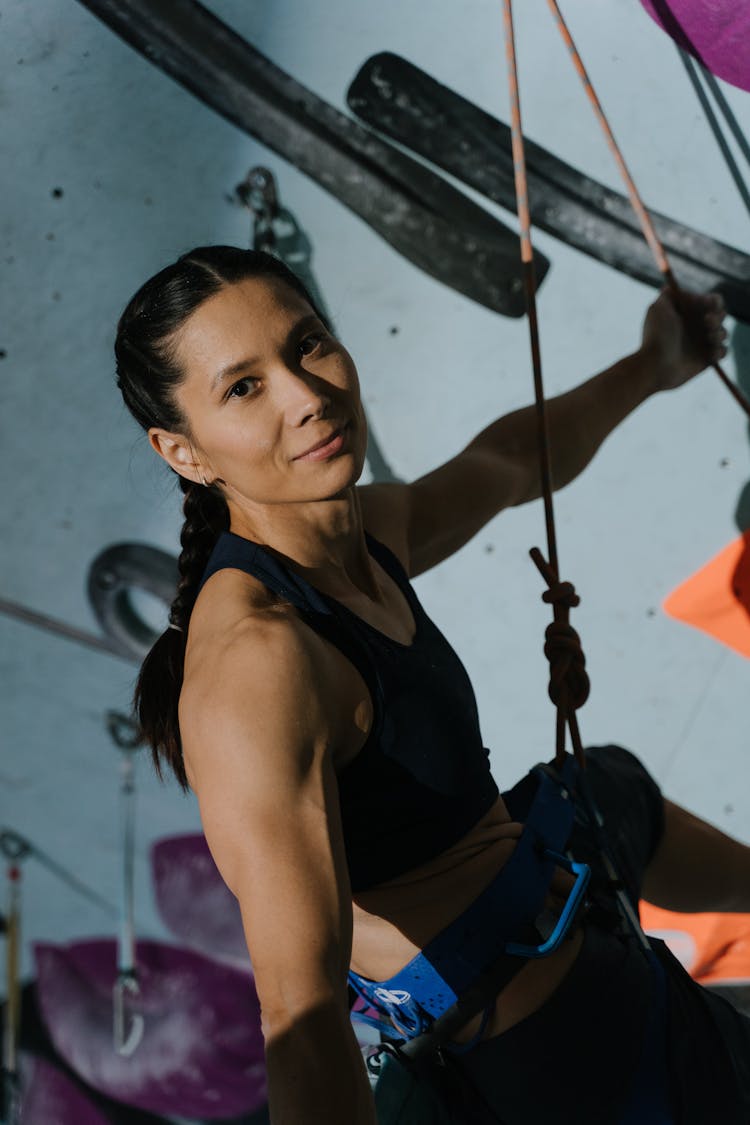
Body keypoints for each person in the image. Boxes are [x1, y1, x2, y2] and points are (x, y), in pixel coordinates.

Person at [115, 245, 750, 1124]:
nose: (306, 396)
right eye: (243, 388)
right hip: (564, 1054)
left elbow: (509, 461)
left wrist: (652, 367)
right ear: (183, 452)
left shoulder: (362, 535)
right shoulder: (258, 664)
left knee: (604, 784)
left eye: (308, 344)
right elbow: (300, 1017)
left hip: (566, 913)